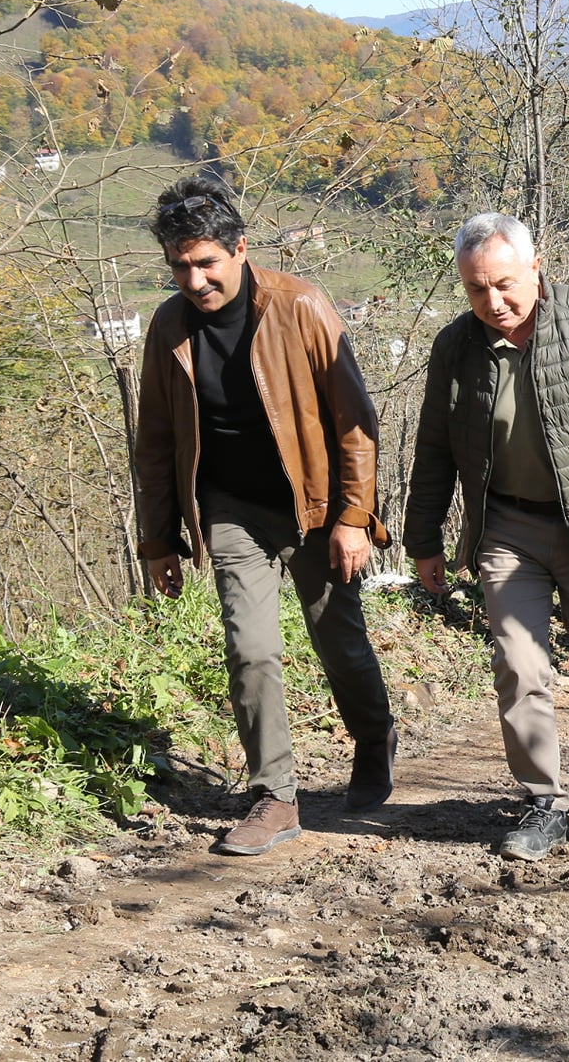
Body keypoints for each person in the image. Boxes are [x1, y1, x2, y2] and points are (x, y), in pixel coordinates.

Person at [134, 178, 395, 857]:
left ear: (240, 248)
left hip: (312, 506)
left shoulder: (299, 306)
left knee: (338, 638)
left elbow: (354, 420)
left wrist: (353, 515)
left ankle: (374, 740)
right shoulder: (168, 327)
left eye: (206, 263)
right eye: (179, 266)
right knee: (249, 648)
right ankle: (275, 794)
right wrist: (159, 538)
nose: (193, 280)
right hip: (228, 509)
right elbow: (156, 440)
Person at [405, 213, 569, 862]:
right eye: (475, 288)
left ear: (535, 266)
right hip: (507, 529)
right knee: (519, 665)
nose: (492, 300)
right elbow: (434, 448)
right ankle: (543, 799)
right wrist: (424, 538)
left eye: (502, 284)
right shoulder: (455, 348)